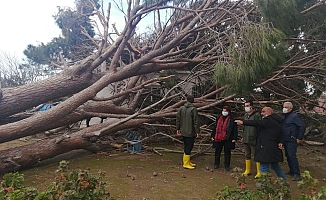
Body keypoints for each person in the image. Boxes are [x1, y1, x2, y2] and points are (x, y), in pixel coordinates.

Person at [235, 107, 287, 182]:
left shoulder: (268, 121)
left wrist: (243, 122)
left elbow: (257, 123)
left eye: (263, 112)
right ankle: (285, 184)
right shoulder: (277, 121)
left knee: (263, 167)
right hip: (273, 148)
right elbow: (281, 133)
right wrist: (281, 142)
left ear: (269, 112)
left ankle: (263, 187)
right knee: (275, 166)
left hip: (266, 148)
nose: (261, 113)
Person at [282, 102, 306, 181]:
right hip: (285, 139)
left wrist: (299, 137)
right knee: (288, 155)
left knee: (292, 156)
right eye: (284, 107)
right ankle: (291, 170)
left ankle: (297, 174)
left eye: (286, 107)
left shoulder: (294, 116)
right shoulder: (285, 116)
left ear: (290, 108)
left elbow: (302, 126)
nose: (284, 108)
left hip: (292, 139)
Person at [176, 95, 200, 169]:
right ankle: (185, 163)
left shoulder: (181, 108)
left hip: (183, 131)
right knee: (189, 147)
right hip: (190, 131)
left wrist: (178, 128)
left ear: (186, 100)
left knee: (186, 145)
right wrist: (197, 132)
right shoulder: (193, 109)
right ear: (193, 100)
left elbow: (178, 119)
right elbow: (196, 121)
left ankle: (187, 161)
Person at [211, 106, 238, 171]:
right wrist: (213, 135)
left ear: (228, 112)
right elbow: (215, 127)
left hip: (228, 138)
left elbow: (234, 129)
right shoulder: (219, 118)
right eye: (223, 110)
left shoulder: (232, 119)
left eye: (225, 111)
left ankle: (227, 165)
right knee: (217, 151)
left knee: (227, 152)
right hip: (218, 137)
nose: (224, 112)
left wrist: (234, 138)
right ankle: (216, 164)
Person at [242, 100, 262, 178]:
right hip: (246, 138)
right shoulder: (245, 115)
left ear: (251, 106)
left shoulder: (257, 115)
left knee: (256, 154)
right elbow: (243, 126)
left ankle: (259, 171)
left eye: (247, 105)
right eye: (245, 106)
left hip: (254, 138)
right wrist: (243, 136)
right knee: (247, 154)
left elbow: (259, 126)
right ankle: (248, 170)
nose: (246, 107)